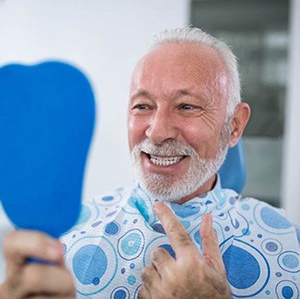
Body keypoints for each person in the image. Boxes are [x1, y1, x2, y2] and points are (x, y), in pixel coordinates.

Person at [0, 27, 299, 299]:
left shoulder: (288, 245)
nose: (157, 132)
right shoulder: (62, 242)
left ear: (234, 125)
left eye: (186, 106)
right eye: (143, 106)